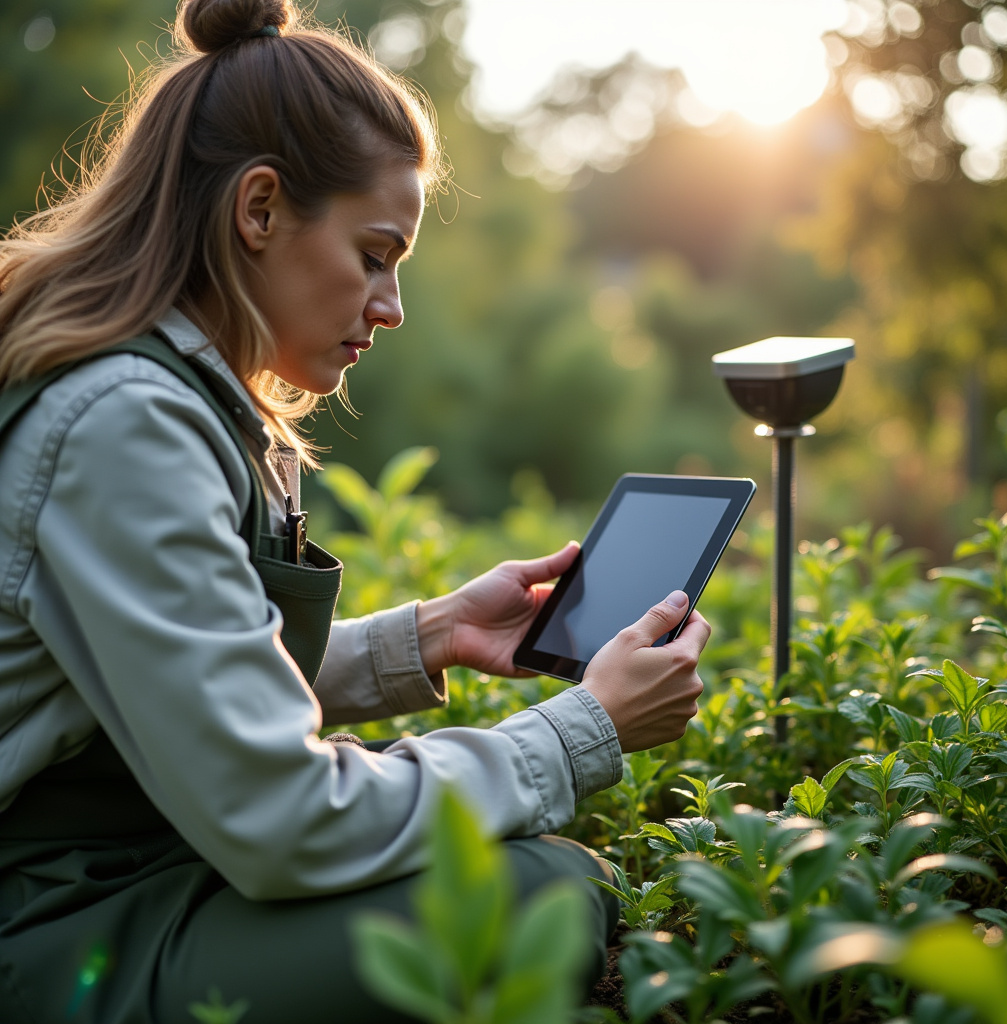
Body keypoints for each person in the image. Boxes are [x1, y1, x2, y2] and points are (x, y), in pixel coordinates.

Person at [0, 0, 710, 1021]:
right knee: (537, 897)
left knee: (528, 873)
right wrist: (583, 729)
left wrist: (431, 635)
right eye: (375, 254)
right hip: (53, 919)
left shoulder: (162, 395)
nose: (391, 305)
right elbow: (277, 814)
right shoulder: (123, 424)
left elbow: (175, 685)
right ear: (258, 209)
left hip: (132, 853)